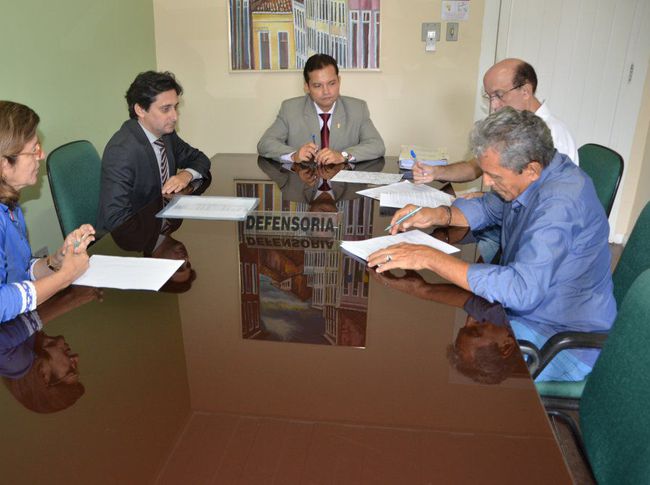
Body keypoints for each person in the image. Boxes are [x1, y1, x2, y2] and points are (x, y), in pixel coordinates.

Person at [368, 107, 616, 381]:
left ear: (532, 169)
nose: (486, 182)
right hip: (524, 311)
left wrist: (429, 257)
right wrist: (438, 214)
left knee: (421, 366)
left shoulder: (560, 205)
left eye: (495, 177)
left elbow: (521, 290)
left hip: (559, 336)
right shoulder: (533, 174)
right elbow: (488, 208)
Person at [414, 58, 578, 184]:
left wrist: (483, 201)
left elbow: (545, 199)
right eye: (490, 97)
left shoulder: (554, 135)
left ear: (525, 91)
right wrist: (436, 172)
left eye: (499, 95)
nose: (494, 106)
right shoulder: (510, 126)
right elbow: (475, 166)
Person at [0, 101, 93, 323]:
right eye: (34, 150)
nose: (41, 156)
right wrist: (66, 276)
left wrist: (57, 260)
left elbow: (19, 272)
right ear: (4, 165)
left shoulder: (10, 204)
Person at [97, 71, 212, 233]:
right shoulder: (121, 151)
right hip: (129, 239)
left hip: (163, 224)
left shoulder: (166, 135)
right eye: (166, 109)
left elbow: (200, 159)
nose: (174, 116)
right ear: (140, 110)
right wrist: (158, 240)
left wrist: (186, 175)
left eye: (175, 107)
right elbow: (117, 219)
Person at [257, 53, 385, 164]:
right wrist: (294, 155)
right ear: (307, 87)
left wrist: (343, 156)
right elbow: (265, 143)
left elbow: (377, 145)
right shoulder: (290, 109)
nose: (326, 91)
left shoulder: (357, 109)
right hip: (304, 182)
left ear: (339, 81)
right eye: (318, 85)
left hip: (342, 183)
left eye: (332, 83)